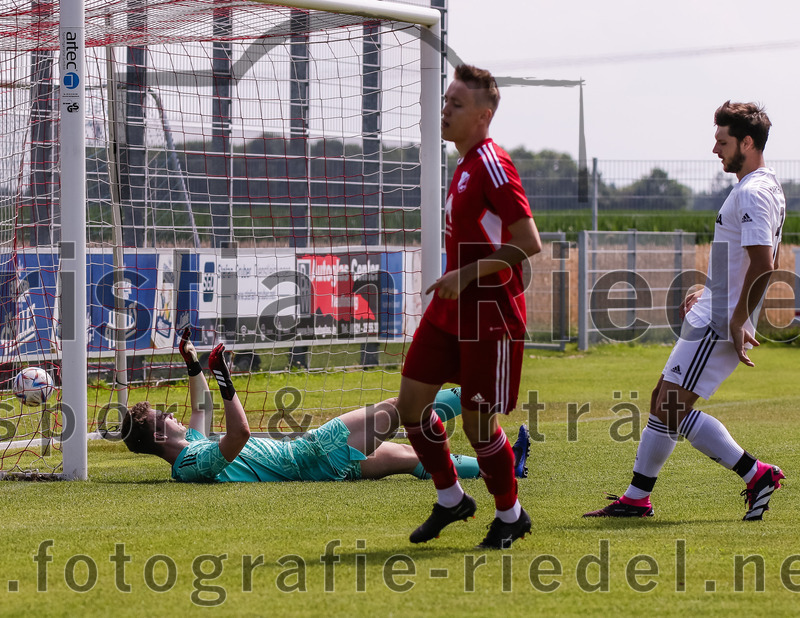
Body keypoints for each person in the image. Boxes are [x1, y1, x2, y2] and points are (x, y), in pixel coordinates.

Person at [584, 101, 786, 521]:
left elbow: (765, 264)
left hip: (719, 320)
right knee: (662, 400)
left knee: (671, 407)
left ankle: (756, 474)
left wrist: (735, 318)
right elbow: (748, 261)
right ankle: (637, 498)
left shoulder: (752, 191)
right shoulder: (762, 186)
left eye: (723, 141)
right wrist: (708, 289)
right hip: (717, 309)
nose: (715, 149)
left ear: (747, 142)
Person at [396, 64, 542, 550]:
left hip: (489, 316)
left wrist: (465, 274)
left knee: (480, 427)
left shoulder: (494, 164)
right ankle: (451, 498)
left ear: (483, 115)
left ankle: (510, 515)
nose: (445, 110)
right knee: (410, 405)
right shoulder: (463, 165)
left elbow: (529, 242)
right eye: (445, 101)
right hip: (450, 310)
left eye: (456, 104)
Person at [121, 328, 532, 483]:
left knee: (409, 457)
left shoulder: (191, 445)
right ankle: (480, 392)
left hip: (316, 467)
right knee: (400, 406)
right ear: (157, 434)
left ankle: (505, 465)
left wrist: (192, 361)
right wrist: (226, 378)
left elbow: (202, 406)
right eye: (163, 416)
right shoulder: (191, 464)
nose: (172, 414)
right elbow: (239, 434)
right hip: (311, 453)